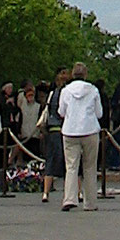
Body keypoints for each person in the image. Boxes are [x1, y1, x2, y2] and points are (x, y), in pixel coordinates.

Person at [58, 63, 103, 211]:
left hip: (70, 130)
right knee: (90, 167)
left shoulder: (66, 91)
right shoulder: (93, 90)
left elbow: (61, 111)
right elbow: (99, 113)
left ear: (72, 74)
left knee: (71, 166)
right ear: (86, 75)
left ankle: (69, 198)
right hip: (90, 130)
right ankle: (90, 202)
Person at [41, 71, 69, 203]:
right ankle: (75, 192)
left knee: (50, 160)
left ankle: (45, 192)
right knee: (71, 163)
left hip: (52, 129)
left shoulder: (52, 93)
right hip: (66, 128)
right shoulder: (68, 93)